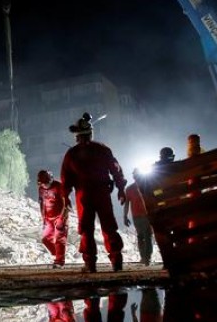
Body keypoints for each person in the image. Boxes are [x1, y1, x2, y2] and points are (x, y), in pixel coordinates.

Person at [60, 112, 127, 273]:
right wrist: (121, 189)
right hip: (103, 193)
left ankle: (90, 264)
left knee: (86, 229)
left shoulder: (72, 154)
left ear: (77, 136)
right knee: (109, 226)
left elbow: (65, 177)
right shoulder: (103, 149)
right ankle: (116, 260)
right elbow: (116, 169)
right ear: (91, 133)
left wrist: (65, 196)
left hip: (83, 195)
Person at [37, 169, 70, 268]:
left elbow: (66, 204)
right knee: (45, 239)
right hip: (48, 219)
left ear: (50, 180)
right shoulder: (41, 189)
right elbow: (42, 203)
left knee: (59, 239)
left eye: (46, 183)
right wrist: (43, 218)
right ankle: (59, 254)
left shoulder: (59, 187)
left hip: (60, 217)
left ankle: (59, 262)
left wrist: (62, 218)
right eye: (42, 183)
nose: (45, 185)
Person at [123, 168, 153, 266]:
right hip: (137, 217)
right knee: (141, 236)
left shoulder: (148, 185)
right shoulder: (130, 189)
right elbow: (127, 203)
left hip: (146, 215)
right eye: (135, 175)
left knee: (147, 236)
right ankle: (144, 257)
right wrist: (125, 216)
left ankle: (147, 257)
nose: (135, 176)